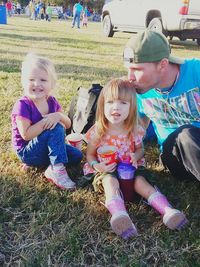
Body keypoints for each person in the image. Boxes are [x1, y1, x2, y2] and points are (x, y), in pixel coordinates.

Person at [83, 78, 187, 239]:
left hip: (131, 168)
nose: (116, 107)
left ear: (132, 108)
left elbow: (140, 150)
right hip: (107, 170)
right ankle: (119, 214)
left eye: (123, 103)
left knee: (141, 183)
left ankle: (167, 211)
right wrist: (97, 166)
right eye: (110, 102)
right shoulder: (99, 131)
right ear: (102, 105)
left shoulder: (134, 130)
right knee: (110, 182)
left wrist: (135, 156)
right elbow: (89, 154)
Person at [123, 29, 200, 182]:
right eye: (128, 70)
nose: (130, 77)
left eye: (137, 70)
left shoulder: (196, 71)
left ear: (163, 64)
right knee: (185, 135)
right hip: (175, 155)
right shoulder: (136, 92)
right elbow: (134, 130)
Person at [11, 53, 83, 190]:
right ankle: (57, 169)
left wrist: (58, 115)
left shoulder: (51, 101)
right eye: (31, 79)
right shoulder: (22, 105)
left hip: (43, 149)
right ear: (23, 82)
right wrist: (48, 122)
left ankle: (44, 164)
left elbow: (68, 124)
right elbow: (26, 135)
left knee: (77, 156)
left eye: (43, 80)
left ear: (52, 84)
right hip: (27, 151)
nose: (37, 84)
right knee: (55, 128)